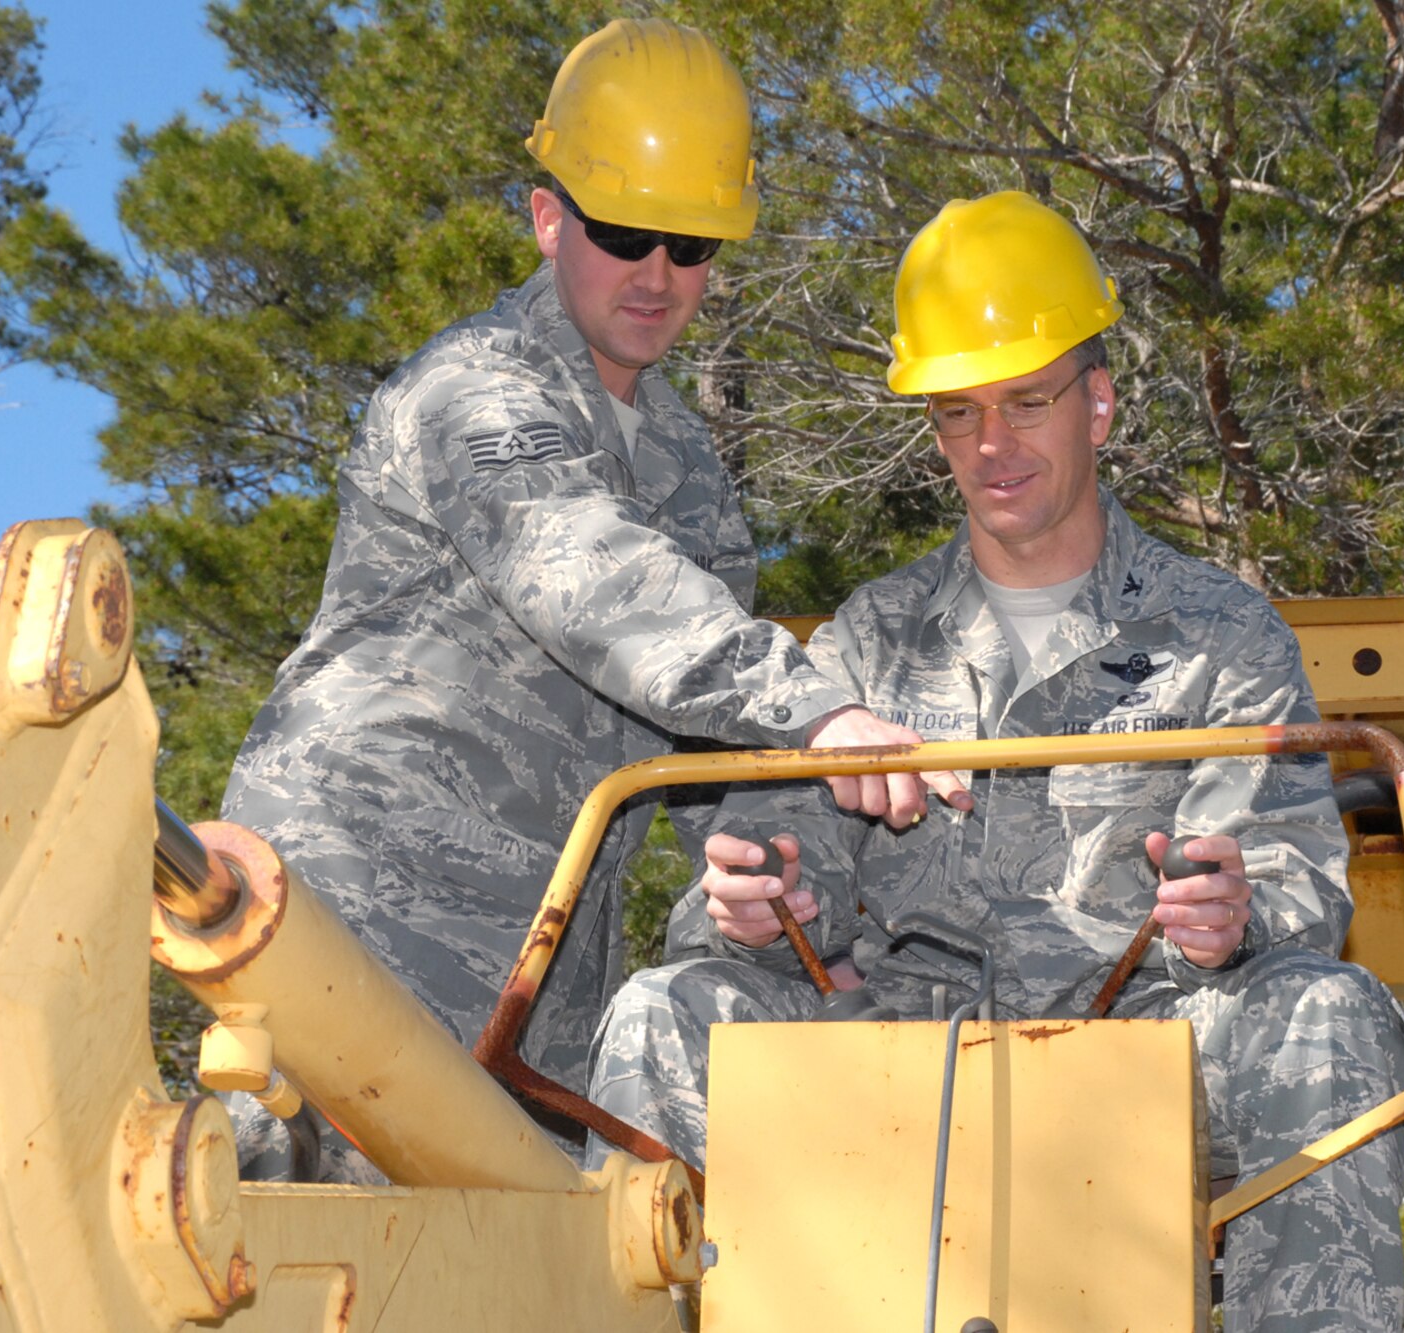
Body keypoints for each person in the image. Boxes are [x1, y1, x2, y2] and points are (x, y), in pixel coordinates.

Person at [588, 191, 1404, 1332]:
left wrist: (1239, 909)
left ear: (1097, 402)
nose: (990, 446)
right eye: (957, 413)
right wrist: (752, 903)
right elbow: (777, 880)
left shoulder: (1219, 631)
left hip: (1146, 1055)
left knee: (1326, 1015)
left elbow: (1291, 877)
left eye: (1026, 402)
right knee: (660, 1010)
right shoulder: (867, 641)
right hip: (889, 1059)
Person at [218, 17, 965, 1170]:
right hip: (371, 900)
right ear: (547, 215)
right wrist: (816, 709)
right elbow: (588, 571)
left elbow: (703, 748)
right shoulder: (474, 388)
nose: (660, 276)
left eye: (694, 243)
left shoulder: (686, 471)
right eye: (625, 232)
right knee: (316, 1256)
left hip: (545, 954)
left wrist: (790, 892)